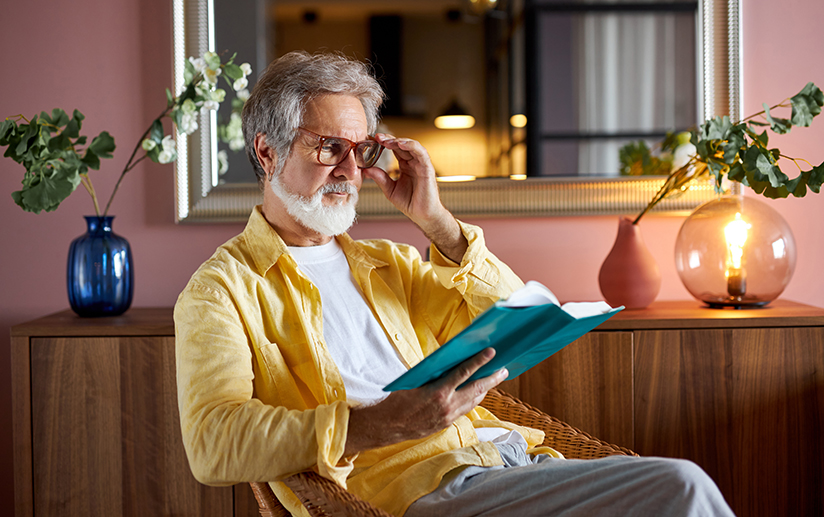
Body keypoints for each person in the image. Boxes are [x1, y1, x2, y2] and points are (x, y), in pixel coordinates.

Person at [174, 51, 734, 517]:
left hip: (512, 458)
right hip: (428, 491)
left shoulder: (390, 263)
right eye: (328, 148)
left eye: (361, 150)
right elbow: (212, 443)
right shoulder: (221, 290)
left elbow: (511, 317)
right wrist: (370, 425)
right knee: (681, 488)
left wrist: (437, 222)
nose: (349, 171)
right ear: (267, 152)